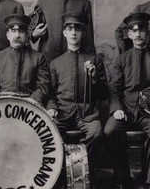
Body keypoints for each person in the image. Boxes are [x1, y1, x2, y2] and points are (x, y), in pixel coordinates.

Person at [104, 13, 150, 189]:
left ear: (147, 33)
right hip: (125, 110)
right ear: (129, 35)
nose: (138, 34)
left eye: (141, 30)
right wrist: (117, 108)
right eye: (134, 31)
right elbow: (114, 89)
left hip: (149, 113)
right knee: (110, 129)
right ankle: (122, 178)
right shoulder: (121, 59)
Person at [46, 12, 108, 149]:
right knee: (48, 132)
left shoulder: (95, 60)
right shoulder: (56, 63)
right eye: (70, 29)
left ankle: (79, 162)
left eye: (77, 29)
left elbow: (104, 94)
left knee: (96, 133)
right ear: (64, 33)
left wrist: (94, 78)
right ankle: (65, 167)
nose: (73, 33)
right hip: (62, 113)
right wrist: (51, 108)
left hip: (88, 114)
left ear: (83, 33)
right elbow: (50, 94)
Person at [30, 0, 95, 63]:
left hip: (74, 61)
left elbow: (88, 39)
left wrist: (90, 62)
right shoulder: (44, 0)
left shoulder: (83, 3)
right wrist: (34, 34)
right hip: (48, 58)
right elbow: (32, 27)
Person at [0, 14, 50, 106]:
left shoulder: (38, 58)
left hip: (30, 106)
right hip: (4, 106)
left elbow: (43, 87)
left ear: (27, 35)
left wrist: (30, 103)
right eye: (13, 31)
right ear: (8, 35)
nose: (17, 35)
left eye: (21, 31)